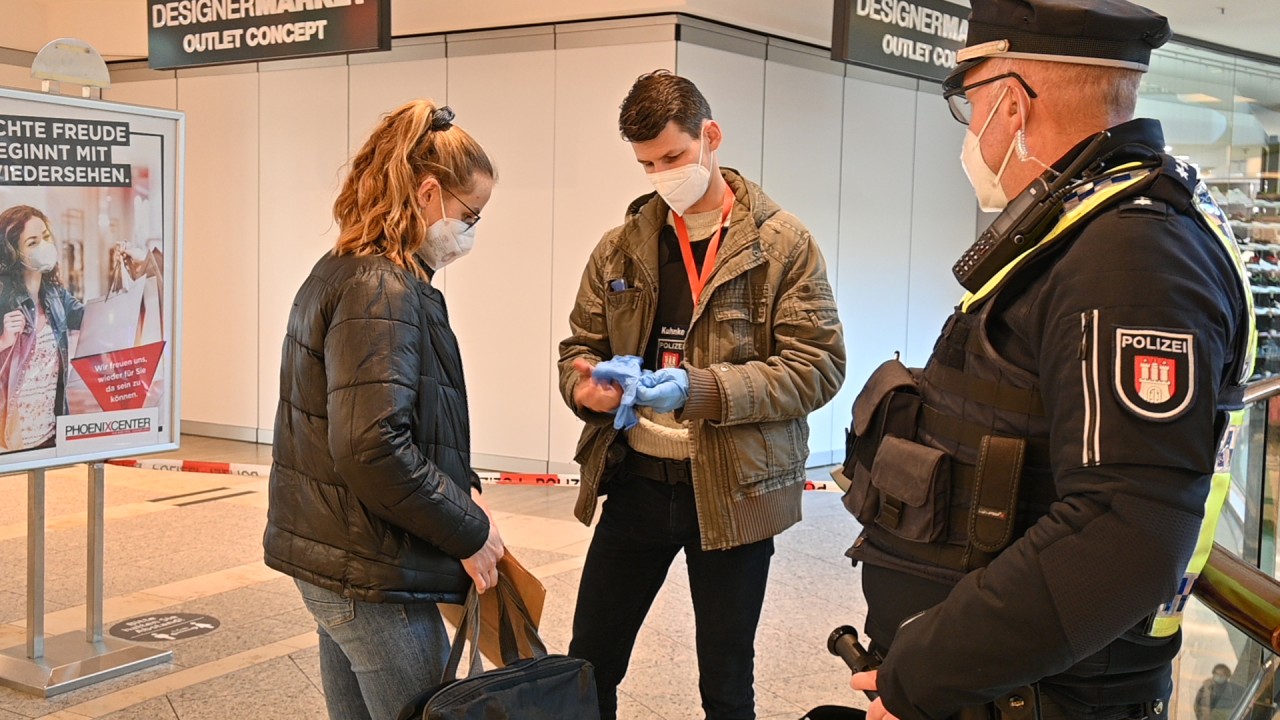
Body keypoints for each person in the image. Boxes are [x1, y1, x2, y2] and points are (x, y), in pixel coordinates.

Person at [841, 2, 1256, 720]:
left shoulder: (1130, 257)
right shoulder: (1086, 226)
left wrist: (925, 679)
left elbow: (1121, 531)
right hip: (1005, 677)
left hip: (1040, 692)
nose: (971, 132)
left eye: (967, 105)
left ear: (1009, 98)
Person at [559, 70, 846, 720]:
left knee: (724, 681)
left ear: (710, 137)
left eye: (674, 157)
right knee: (587, 664)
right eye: (647, 164)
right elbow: (577, 347)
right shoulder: (623, 247)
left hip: (733, 493)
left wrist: (701, 388)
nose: (663, 175)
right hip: (636, 483)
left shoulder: (780, 246)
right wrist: (587, 387)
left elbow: (818, 367)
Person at [263, 100, 505, 720]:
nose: (473, 231)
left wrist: (460, 490)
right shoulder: (381, 286)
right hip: (368, 566)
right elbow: (374, 445)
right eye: (471, 214)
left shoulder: (344, 269)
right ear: (429, 194)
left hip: (343, 555)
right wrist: (468, 530)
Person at [0, 205, 83, 451]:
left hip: (51, 433)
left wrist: (134, 270)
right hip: (10, 438)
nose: (45, 246)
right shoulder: (3, 299)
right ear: (13, 253)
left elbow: (93, 320)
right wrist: (4, 339)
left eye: (45, 237)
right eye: (33, 242)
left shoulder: (56, 296)